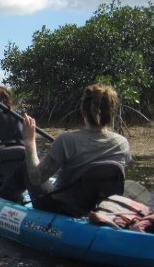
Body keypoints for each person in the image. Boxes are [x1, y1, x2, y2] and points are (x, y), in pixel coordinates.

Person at [22, 83, 131, 215]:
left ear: (82, 110)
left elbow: (36, 178)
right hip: (97, 208)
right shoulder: (122, 143)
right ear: (111, 112)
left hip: (61, 208)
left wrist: (29, 142)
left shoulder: (66, 141)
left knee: (25, 166)